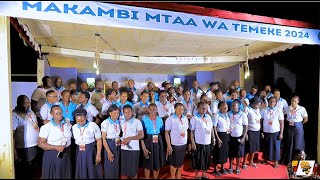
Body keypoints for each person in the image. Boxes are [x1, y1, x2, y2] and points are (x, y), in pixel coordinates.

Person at [38, 105, 72, 179]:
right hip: (53, 154)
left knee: (65, 174)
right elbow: (40, 143)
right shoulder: (46, 127)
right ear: (51, 114)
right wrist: (55, 147)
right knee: (54, 175)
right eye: (57, 113)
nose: (60, 115)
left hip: (66, 152)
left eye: (61, 113)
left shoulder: (67, 122)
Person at [13, 95, 39, 179]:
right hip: (23, 148)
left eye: (28, 103)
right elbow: (12, 134)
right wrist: (14, 152)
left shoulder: (31, 112)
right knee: (24, 172)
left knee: (33, 171)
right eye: (24, 103)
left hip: (34, 146)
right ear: (19, 103)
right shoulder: (14, 114)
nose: (27, 105)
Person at [72, 108, 103, 179]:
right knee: (81, 169)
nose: (80, 123)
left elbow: (99, 140)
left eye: (82, 120)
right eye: (78, 121)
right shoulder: (74, 127)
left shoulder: (93, 125)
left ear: (86, 117)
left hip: (90, 150)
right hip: (79, 150)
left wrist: (98, 154)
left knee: (91, 170)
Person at [140, 104, 166, 179]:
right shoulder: (144, 120)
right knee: (147, 162)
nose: (152, 111)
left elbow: (161, 130)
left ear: (157, 110)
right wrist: (144, 148)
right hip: (148, 140)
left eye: (154, 109)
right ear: (147, 110)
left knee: (156, 162)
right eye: (150, 109)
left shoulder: (160, 119)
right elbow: (142, 135)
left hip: (158, 141)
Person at [190, 102, 215, 179]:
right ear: (198, 109)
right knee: (198, 159)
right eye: (202, 108)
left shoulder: (208, 117)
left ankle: (204, 174)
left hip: (207, 142)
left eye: (205, 108)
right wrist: (193, 143)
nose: (204, 109)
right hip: (198, 142)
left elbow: (211, 129)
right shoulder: (195, 118)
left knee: (206, 159)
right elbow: (191, 132)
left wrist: (213, 138)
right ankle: (196, 175)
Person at [165, 103, 189, 179]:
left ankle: (179, 176)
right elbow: (166, 133)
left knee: (180, 163)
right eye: (178, 108)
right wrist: (168, 145)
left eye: (182, 109)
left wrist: (188, 143)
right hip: (175, 145)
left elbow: (186, 130)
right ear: (174, 109)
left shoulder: (185, 118)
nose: (180, 110)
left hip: (183, 144)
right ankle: (172, 177)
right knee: (174, 163)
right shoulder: (170, 119)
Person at [120, 105, 144, 179]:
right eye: (125, 112)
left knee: (133, 171)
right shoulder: (121, 121)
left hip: (134, 149)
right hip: (124, 148)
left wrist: (129, 138)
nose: (127, 114)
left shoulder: (137, 122)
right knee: (125, 171)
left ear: (132, 112)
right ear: (123, 113)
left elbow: (141, 135)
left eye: (129, 112)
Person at [260, 97, 284, 168]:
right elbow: (261, 120)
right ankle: (265, 159)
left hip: (275, 131)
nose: (272, 103)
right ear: (268, 102)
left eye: (274, 101)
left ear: (276, 103)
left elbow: (281, 122)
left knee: (276, 147)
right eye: (270, 101)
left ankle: (276, 162)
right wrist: (261, 130)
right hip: (266, 131)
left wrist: (281, 133)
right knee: (266, 146)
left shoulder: (279, 111)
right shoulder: (264, 110)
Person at [284, 96, 308, 164]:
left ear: (298, 102)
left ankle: (299, 161)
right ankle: (288, 161)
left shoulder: (302, 109)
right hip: (290, 126)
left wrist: (300, 124)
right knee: (290, 143)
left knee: (298, 143)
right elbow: (282, 115)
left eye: (294, 101)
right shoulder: (287, 108)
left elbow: (306, 119)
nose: (292, 102)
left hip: (298, 126)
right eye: (292, 101)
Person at [227, 99, 248, 174]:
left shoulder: (243, 114)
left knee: (239, 154)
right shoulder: (228, 113)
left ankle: (237, 167)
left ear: (239, 106)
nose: (232, 106)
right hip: (230, 136)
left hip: (239, 136)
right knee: (231, 153)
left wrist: (244, 137)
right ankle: (230, 166)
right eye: (232, 105)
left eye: (234, 105)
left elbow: (246, 127)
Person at [101, 104, 121, 179]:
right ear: (110, 113)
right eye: (115, 113)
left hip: (117, 143)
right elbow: (103, 138)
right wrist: (109, 152)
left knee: (116, 164)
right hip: (109, 144)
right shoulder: (105, 123)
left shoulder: (118, 122)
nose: (117, 115)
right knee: (109, 165)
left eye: (118, 113)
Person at [243, 96, 263, 168]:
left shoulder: (258, 110)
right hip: (249, 131)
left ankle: (251, 161)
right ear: (253, 103)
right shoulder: (247, 109)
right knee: (248, 148)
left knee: (254, 148)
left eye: (259, 104)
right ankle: (244, 163)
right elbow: (244, 121)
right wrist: (246, 133)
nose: (259, 105)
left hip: (257, 131)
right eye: (257, 104)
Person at [212, 102, 230, 176]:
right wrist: (217, 138)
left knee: (224, 153)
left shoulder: (226, 115)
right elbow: (214, 127)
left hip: (226, 135)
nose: (226, 108)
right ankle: (215, 169)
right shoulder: (216, 115)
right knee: (218, 152)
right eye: (224, 107)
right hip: (219, 135)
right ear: (219, 108)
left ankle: (222, 168)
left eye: (226, 107)